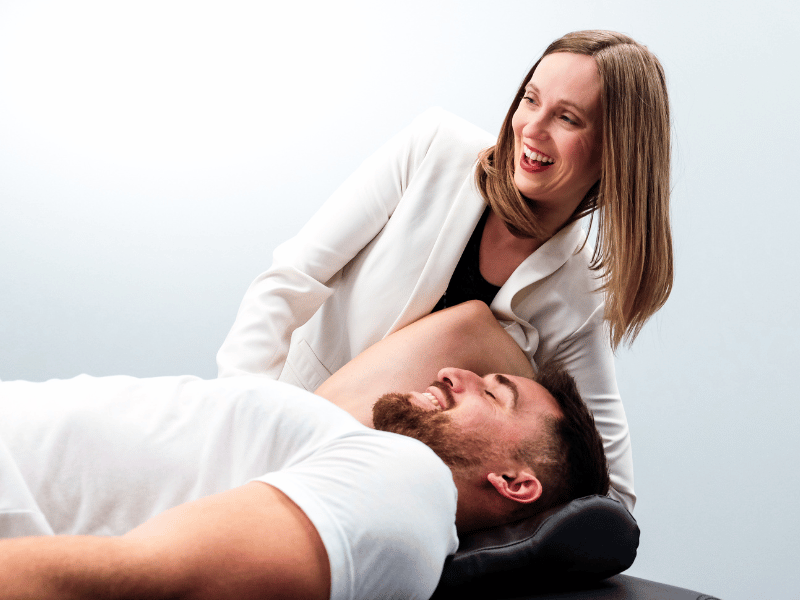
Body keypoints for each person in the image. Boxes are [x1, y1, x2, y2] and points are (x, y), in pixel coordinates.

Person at [215, 30, 673, 512]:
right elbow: (289, 282)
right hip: (283, 417)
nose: (532, 129)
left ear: (616, 151)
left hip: (363, 493)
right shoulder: (435, 149)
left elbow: (612, 494)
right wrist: (235, 425)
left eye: (566, 117)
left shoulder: (580, 293)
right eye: (529, 99)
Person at [0, 325, 609, 600]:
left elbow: (143, 577)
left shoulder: (410, 489)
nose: (454, 372)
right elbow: (469, 322)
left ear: (515, 482)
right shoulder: (363, 450)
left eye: (493, 392)